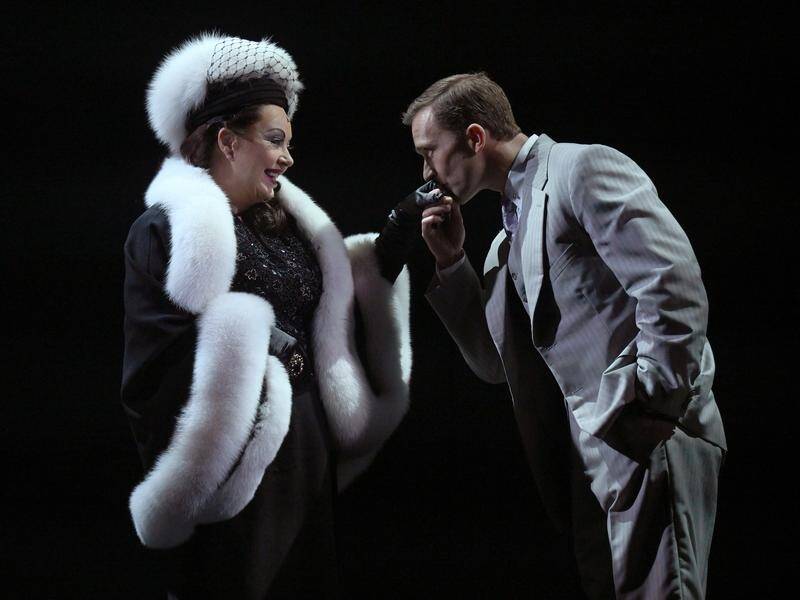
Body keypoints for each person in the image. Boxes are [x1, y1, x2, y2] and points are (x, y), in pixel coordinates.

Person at [403, 72, 726, 599]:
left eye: (429, 151)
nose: (426, 172)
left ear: (475, 137)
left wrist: (653, 406)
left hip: (646, 436)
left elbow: (672, 284)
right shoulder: (503, 243)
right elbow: (494, 364)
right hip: (584, 466)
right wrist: (453, 262)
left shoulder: (581, 168)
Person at [121, 34, 418, 599]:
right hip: (236, 466)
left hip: (305, 450)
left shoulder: (283, 228)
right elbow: (155, 369)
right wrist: (260, 347)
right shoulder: (166, 232)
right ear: (227, 141)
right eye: (275, 140)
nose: (287, 158)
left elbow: (334, 306)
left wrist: (397, 237)